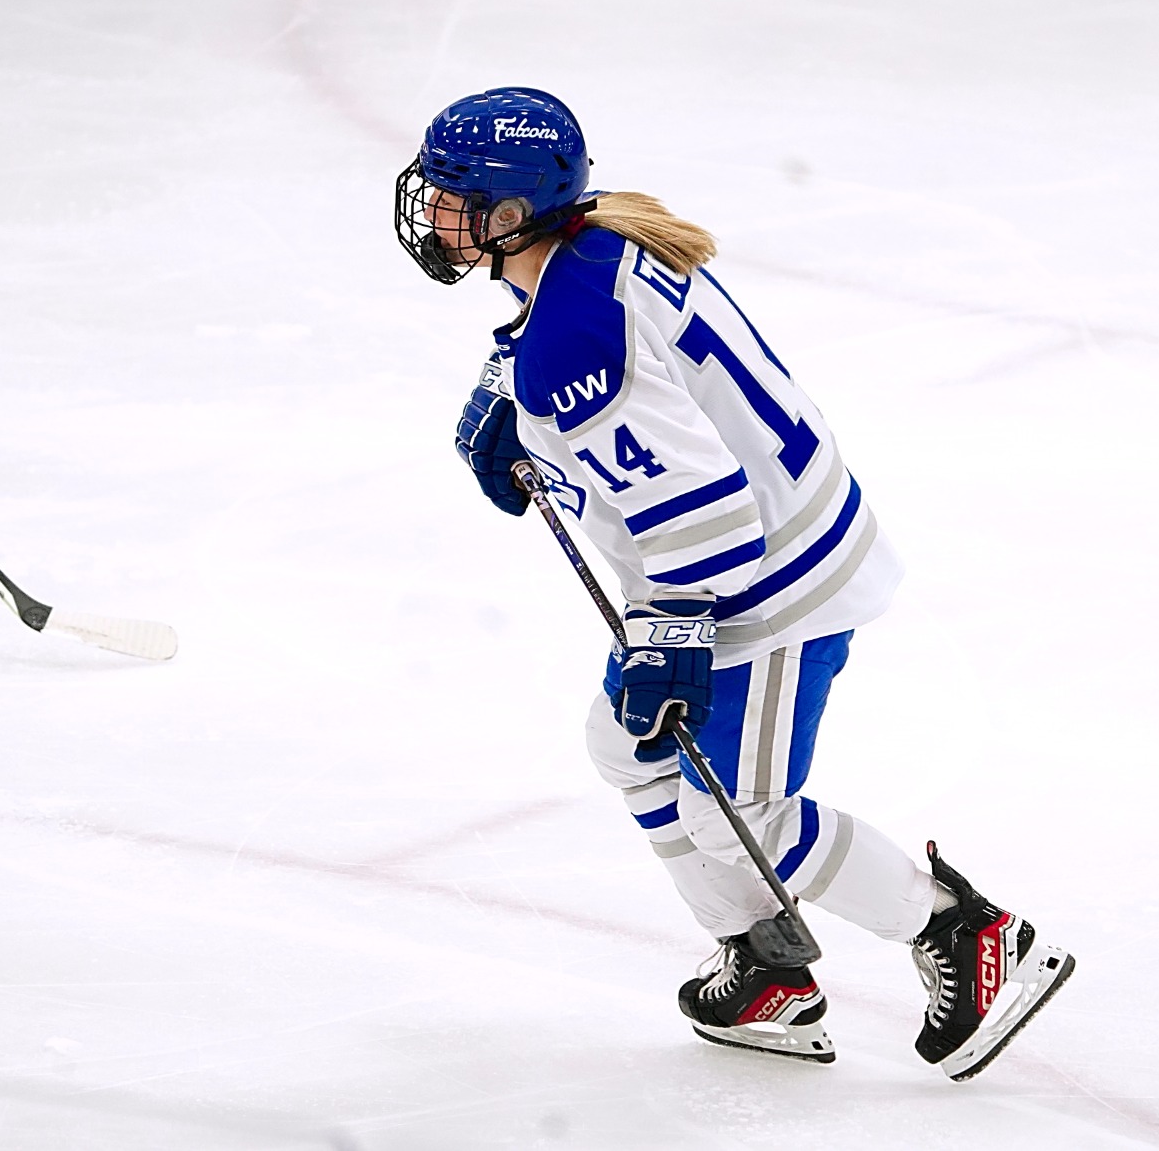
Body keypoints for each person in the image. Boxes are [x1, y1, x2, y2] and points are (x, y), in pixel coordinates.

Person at [394, 86, 1073, 1080]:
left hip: (764, 586)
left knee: (735, 809)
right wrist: (513, 378)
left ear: (508, 217)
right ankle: (765, 968)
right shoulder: (594, 240)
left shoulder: (572, 345)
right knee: (625, 749)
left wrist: (671, 634)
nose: (432, 213)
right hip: (779, 544)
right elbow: (628, 363)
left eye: (454, 198)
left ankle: (968, 938)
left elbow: (703, 506)